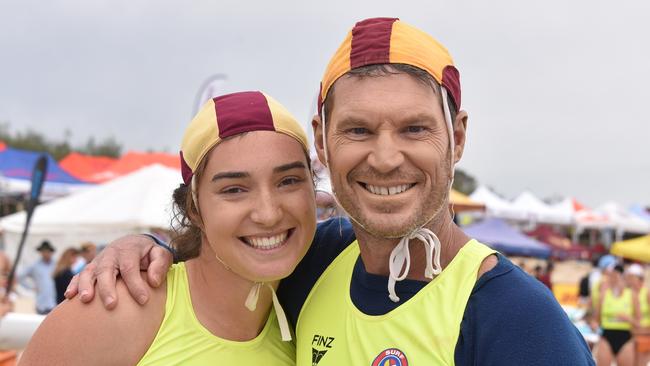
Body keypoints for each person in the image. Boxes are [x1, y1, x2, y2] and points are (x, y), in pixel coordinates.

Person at [67, 18, 593, 365]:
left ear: (456, 137)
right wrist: (144, 249)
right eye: (359, 131)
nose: (385, 158)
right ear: (321, 140)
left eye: (414, 129)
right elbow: (223, 257)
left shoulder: (513, 318)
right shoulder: (314, 260)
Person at [19, 91, 316, 365]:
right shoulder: (118, 310)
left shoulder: (310, 319)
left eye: (288, 181)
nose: (268, 214)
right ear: (194, 209)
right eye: (234, 189)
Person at [593, 264, 638, 366]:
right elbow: (595, 319)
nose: (614, 279)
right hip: (606, 335)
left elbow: (638, 323)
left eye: (616, 276)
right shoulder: (603, 295)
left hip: (626, 337)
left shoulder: (632, 295)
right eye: (611, 276)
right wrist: (594, 324)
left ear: (623, 278)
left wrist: (628, 319)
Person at [18, 241, 56, 315]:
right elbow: (20, 277)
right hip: (41, 302)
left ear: (51, 252)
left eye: (47, 251)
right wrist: (31, 287)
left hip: (55, 301)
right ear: (41, 252)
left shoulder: (56, 265)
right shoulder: (35, 266)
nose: (45, 253)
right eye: (43, 251)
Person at [624, 264, 650, 366]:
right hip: (630, 334)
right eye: (628, 277)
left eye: (631, 278)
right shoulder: (628, 293)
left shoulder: (646, 293)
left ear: (640, 279)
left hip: (644, 335)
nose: (629, 280)